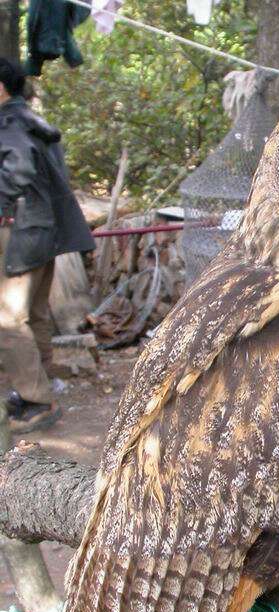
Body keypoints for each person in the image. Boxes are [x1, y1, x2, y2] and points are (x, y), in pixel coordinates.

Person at [0, 58, 94, 433]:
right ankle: (38, 387)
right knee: (35, 314)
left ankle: (37, 401)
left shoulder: (8, 125)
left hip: (21, 232)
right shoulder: (34, 122)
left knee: (8, 320)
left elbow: (18, 169)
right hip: (46, 232)